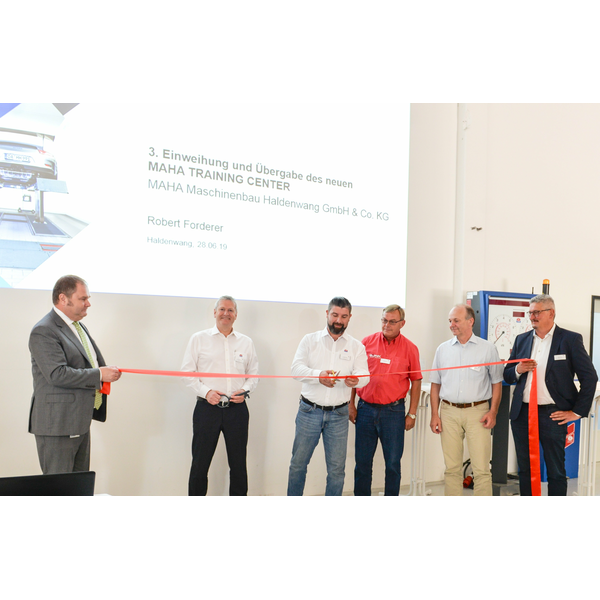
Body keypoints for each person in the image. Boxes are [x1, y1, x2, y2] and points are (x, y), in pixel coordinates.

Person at [504, 294, 598, 496]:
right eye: (530, 313)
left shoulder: (570, 339)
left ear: (551, 313)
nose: (532, 317)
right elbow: (507, 374)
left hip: (553, 414)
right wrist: (518, 369)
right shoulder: (522, 339)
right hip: (522, 414)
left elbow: (590, 377)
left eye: (537, 312)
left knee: (555, 470)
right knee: (525, 469)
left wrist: (577, 412)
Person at [28, 275, 122, 474]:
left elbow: (86, 363)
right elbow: (57, 374)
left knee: (79, 485)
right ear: (63, 298)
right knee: (59, 486)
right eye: (83, 298)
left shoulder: (77, 326)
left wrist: (104, 372)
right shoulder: (44, 330)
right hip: (58, 425)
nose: (88, 303)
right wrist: (99, 375)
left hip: (78, 421)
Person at [288, 297, 370, 496]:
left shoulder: (356, 346)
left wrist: (356, 380)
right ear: (327, 314)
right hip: (309, 411)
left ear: (349, 317)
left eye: (343, 316)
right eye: (335, 315)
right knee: (298, 465)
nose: (338, 320)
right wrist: (318, 376)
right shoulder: (310, 340)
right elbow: (296, 370)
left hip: (339, 415)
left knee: (336, 471)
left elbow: (365, 376)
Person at [181, 296, 259, 496]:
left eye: (230, 310)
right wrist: (206, 392)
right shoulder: (199, 339)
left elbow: (253, 375)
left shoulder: (246, 342)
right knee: (200, 464)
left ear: (236, 315)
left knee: (238, 465)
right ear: (214, 312)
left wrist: (245, 391)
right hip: (207, 409)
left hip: (237, 410)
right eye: (222, 309)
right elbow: (187, 373)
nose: (226, 313)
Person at [429, 304, 503, 496]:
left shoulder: (488, 349)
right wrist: (435, 414)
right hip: (448, 412)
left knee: (481, 469)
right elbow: (435, 384)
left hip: (478, 412)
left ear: (471, 321)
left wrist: (493, 411)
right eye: (450, 321)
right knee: (452, 468)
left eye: (456, 320)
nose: (452, 324)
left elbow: (496, 383)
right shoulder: (442, 349)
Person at [350, 304, 422, 496]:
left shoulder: (410, 348)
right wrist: (351, 405)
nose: (386, 325)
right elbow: (355, 375)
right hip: (365, 410)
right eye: (384, 320)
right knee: (362, 463)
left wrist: (412, 414)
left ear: (402, 324)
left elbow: (416, 381)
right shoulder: (366, 343)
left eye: (392, 321)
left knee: (392, 464)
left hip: (393, 413)